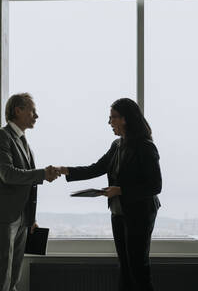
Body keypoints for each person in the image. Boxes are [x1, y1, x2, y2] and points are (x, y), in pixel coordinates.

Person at [58, 98, 162, 291]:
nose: (109, 122)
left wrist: (121, 190)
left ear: (125, 119)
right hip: (119, 213)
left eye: (113, 117)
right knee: (124, 266)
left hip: (139, 214)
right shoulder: (117, 145)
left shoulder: (145, 146)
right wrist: (64, 170)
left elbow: (155, 186)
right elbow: (96, 168)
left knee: (138, 268)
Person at [0, 92, 60, 291]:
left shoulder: (24, 143)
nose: (36, 116)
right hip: (3, 214)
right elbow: (8, 174)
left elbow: (27, 183)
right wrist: (43, 173)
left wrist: (30, 217)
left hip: (21, 217)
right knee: (2, 268)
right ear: (18, 110)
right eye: (32, 111)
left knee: (14, 270)